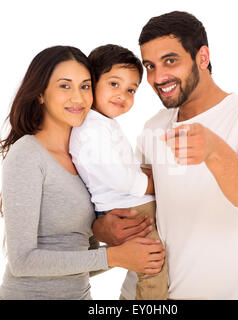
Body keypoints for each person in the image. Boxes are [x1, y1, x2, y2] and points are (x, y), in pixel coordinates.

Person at [92, 11, 238, 300]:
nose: (159, 77)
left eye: (170, 61)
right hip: (140, 295)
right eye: (150, 66)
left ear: (202, 57)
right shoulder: (154, 125)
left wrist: (213, 150)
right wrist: (102, 229)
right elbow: (130, 198)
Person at [0, 45, 165, 300]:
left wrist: (106, 237)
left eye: (85, 86)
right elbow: (22, 262)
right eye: (65, 86)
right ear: (40, 94)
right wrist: (113, 256)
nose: (78, 97)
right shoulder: (27, 154)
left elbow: (79, 262)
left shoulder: (85, 159)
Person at [69, 44, 168, 300]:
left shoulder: (102, 124)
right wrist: (151, 184)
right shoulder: (91, 128)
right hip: (127, 212)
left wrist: (143, 172)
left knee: (152, 264)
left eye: (131, 90)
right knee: (152, 266)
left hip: (130, 205)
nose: (122, 95)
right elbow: (119, 176)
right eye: (114, 84)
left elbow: (120, 167)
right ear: (91, 82)